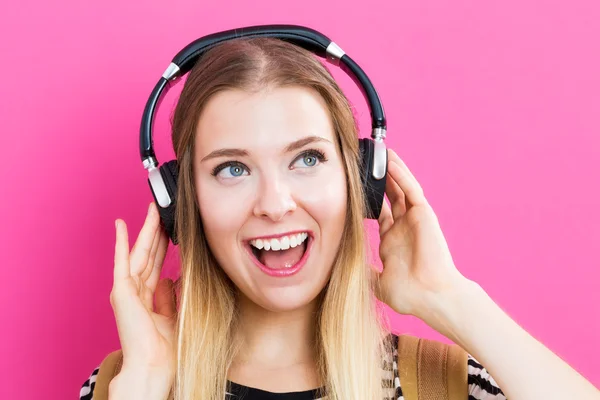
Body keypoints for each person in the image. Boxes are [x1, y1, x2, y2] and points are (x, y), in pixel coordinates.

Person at [80, 37, 599, 400]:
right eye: (233, 169)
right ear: (182, 202)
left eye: (307, 159)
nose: (276, 203)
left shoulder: (448, 386)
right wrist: (145, 388)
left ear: (361, 183)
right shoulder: (123, 387)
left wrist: (450, 298)